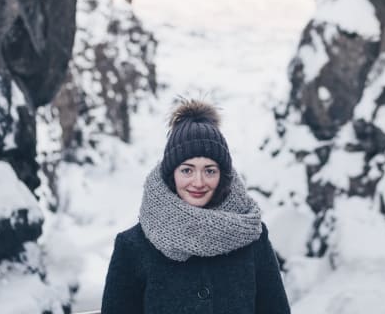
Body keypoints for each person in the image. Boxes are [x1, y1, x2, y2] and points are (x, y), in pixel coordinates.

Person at [101, 99, 291, 314]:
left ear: (222, 175)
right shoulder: (132, 247)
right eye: (187, 170)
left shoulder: (253, 239)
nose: (198, 182)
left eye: (209, 171)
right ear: (171, 174)